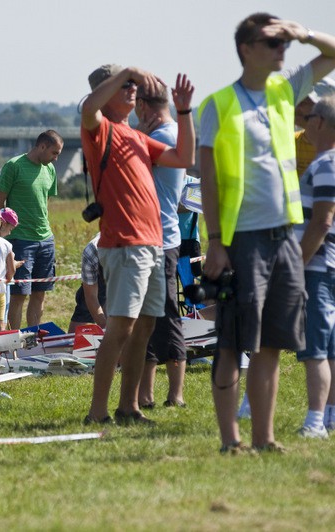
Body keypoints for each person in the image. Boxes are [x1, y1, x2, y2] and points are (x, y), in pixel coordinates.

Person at [199, 13, 335, 453]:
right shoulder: (218, 105)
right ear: (247, 49)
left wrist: (304, 33)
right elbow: (208, 178)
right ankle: (230, 439)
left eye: (284, 43)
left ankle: (264, 437)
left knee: (272, 343)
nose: (282, 50)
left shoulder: (283, 89)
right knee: (235, 341)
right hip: (242, 239)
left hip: (284, 237)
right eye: (273, 43)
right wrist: (216, 242)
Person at [81, 64, 195, 425]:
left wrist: (184, 111)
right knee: (121, 329)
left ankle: (128, 407)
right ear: (106, 90)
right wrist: (127, 71)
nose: (134, 90)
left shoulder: (138, 135)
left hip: (153, 244)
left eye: (135, 85)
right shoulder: (100, 129)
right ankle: (97, 412)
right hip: (125, 244)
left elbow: (183, 158)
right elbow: (88, 109)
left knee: (144, 328)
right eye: (126, 86)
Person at [134, 84, 188, 410]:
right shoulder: (170, 133)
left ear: (143, 106)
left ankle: (175, 393)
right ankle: (146, 394)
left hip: (161, 240)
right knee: (147, 318)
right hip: (153, 237)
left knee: (166, 317)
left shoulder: (163, 138)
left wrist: (139, 134)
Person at [0, 130, 63, 330]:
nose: (56, 158)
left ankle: (34, 337)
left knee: (39, 293)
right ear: (42, 146)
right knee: (19, 294)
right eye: (54, 153)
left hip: (46, 239)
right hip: (20, 240)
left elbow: (45, 201)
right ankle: (14, 340)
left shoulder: (49, 169)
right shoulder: (14, 166)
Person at [295, 94, 335, 438]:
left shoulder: (324, 164)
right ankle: (330, 417)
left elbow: (321, 223)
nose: (304, 122)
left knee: (316, 349)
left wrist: (298, 263)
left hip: (318, 267)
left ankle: (314, 421)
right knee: (332, 348)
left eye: (308, 117)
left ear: (319, 123)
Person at [68, 233, 106, 334]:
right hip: (98, 277)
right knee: (84, 307)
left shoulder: (135, 251)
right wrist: (106, 329)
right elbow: (91, 296)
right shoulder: (91, 252)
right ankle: (71, 344)